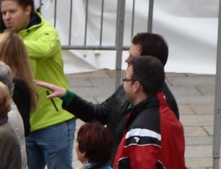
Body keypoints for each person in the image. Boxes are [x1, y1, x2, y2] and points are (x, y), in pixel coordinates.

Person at [41, 31, 175, 142]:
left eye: (132, 57)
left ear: (148, 62)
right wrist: (68, 96)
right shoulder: (127, 86)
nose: (127, 59)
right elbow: (99, 115)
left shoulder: (165, 105)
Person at [0, 0, 73, 169]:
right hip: (26, 123)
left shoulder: (47, 31)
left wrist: (10, 44)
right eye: (4, 12)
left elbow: (43, 49)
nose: (7, 17)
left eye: (12, 11)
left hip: (54, 120)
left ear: (28, 10)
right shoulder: (8, 37)